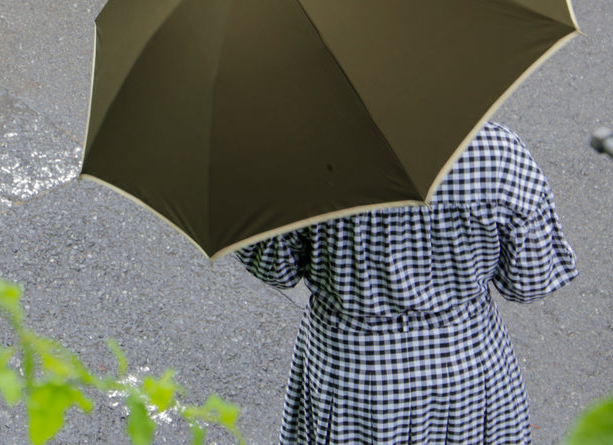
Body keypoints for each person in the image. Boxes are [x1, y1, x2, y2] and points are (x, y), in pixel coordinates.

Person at [235, 121, 577, 444]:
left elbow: (274, 267)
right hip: (469, 372)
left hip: (353, 376)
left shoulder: (305, 155)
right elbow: (529, 280)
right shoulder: (497, 150)